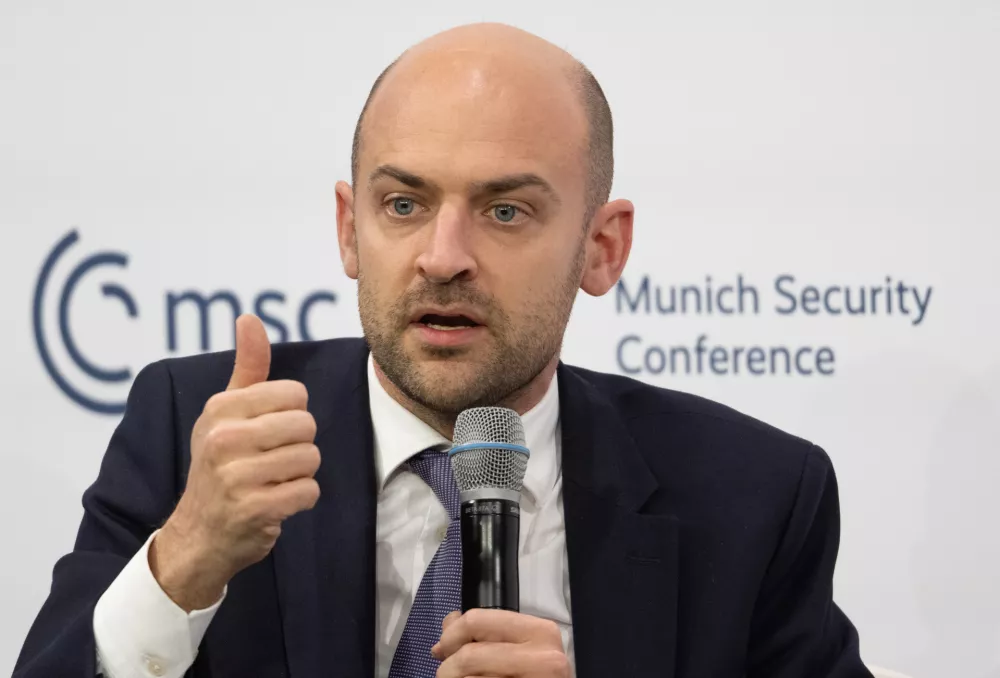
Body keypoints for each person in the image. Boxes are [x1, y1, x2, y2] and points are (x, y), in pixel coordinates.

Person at [14, 22, 873, 678]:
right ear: (349, 230)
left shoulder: (751, 497)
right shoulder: (196, 433)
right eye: (403, 204)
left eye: (506, 211)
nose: (443, 255)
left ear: (602, 247)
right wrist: (185, 563)